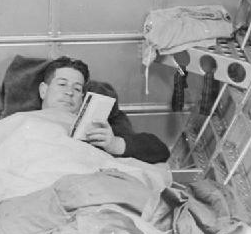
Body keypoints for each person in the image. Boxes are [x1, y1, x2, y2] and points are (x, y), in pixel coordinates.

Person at [37, 56, 169, 164]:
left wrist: (114, 144)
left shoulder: (93, 130)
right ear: (43, 90)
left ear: (82, 99)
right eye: (62, 84)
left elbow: (160, 150)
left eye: (77, 88)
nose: (69, 92)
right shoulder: (21, 120)